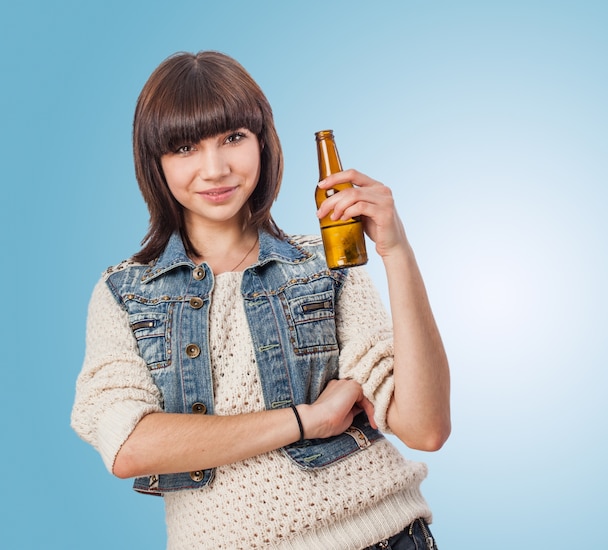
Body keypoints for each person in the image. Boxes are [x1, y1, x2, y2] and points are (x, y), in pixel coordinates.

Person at [71, 50, 450, 550]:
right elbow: (129, 445)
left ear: (261, 142)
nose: (215, 168)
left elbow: (424, 427)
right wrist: (305, 420)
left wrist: (395, 250)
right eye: (185, 147)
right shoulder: (126, 293)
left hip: (385, 535)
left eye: (233, 138)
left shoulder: (320, 266)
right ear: (155, 162)